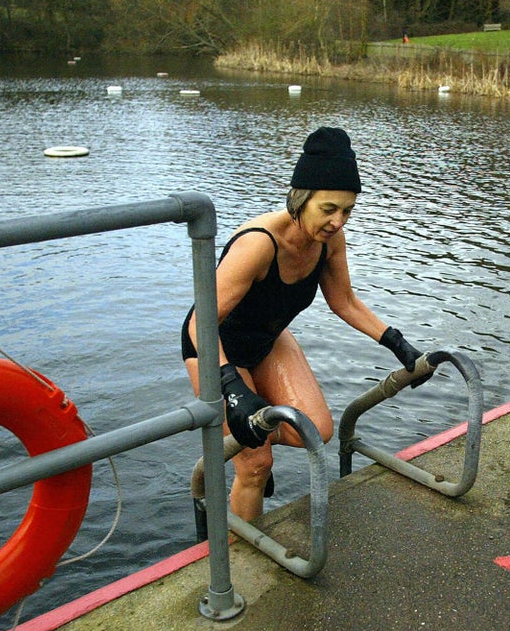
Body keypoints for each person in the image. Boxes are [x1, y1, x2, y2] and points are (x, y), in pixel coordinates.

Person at [182, 127, 429, 522]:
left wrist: (398, 344)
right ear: (300, 198)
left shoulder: (330, 241)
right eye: (328, 208)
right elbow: (199, 324)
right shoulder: (258, 243)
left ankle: (254, 439)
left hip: (267, 338)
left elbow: (344, 302)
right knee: (255, 465)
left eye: (347, 210)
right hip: (214, 345)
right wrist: (231, 388)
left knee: (317, 430)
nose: (337, 221)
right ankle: (244, 556)